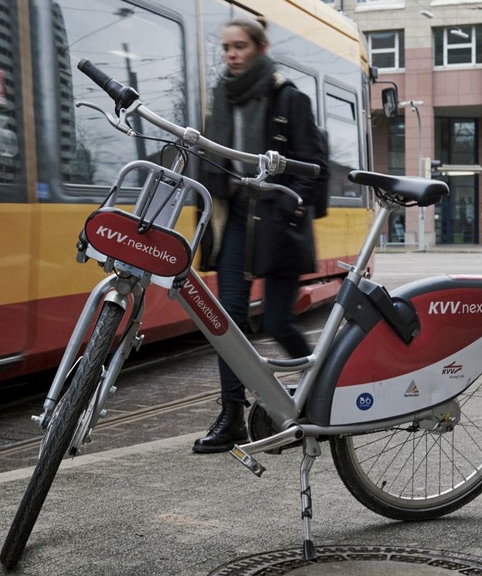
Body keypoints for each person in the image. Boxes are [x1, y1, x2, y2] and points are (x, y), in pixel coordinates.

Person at [193, 17, 325, 454]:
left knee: (276, 320)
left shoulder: (288, 97)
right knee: (226, 323)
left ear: (260, 47)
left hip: (277, 221)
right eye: (226, 46)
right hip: (235, 220)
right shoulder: (221, 97)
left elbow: (312, 164)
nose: (231, 54)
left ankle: (317, 394)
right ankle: (232, 415)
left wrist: (290, 205)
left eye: (240, 46)